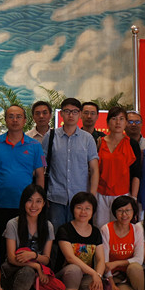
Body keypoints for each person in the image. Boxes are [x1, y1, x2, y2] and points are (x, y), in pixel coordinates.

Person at [1, 185, 54, 290]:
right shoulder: (13, 224)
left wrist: (33, 255)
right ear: (23, 202)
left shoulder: (48, 226)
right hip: (11, 273)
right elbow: (11, 258)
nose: (34, 206)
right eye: (29, 200)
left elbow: (46, 259)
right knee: (27, 272)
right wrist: (36, 265)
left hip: (37, 274)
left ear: (44, 204)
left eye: (38, 201)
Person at [42, 98, 99, 230]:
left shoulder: (88, 139)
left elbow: (94, 169)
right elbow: (42, 165)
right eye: (67, 111)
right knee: (56, 235)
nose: (71, 115)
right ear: (61, 113)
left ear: (80, 114)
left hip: (81, 199)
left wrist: (91, 196)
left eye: (75, 111)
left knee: (78, 235)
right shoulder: (50, 136)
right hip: (55, 198)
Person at [0, 105, 45, 233]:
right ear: (5, 120)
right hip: (0, 202)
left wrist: (40, 200)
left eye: (19, 117)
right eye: (11, 117)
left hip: (27, 204)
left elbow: (40, 175)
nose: (15, 120)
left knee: (23, 239)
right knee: (1, 239)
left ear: (25, 120)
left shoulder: (35, 145)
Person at [54, 192, 106, 290]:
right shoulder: (64, 229)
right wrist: (93, 273)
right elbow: (70, 258)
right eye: (79, 208)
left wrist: (98, 276)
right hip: (66, 273)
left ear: (93, 211)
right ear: (73, 209)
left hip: (87, 274)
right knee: (74, 270)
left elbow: (101, 259)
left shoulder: (95, 232)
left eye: (87, 208)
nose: (83, 212)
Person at [100, 196, 145, 290]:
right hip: (112, 276)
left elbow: (139, 259)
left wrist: (116, 263)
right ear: (115, 212)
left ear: (133, 212)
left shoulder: (137, 229)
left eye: (128, 210)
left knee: (136, 267)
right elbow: (105, 262)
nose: (124, 215)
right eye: (120, 211)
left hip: (129, 274)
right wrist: (112, 284)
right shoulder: (106, 229)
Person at [96, 107, 141, 228]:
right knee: (101, 228)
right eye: (114, 118)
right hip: (101, 194)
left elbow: (136, 174)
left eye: (121, 119)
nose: (117, 122)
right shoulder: (99, 142)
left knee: (121, 228)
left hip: (123, 195)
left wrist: (133, 198)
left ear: (126, 123)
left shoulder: (132, 144)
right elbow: (94, 171)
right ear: (107, 122)